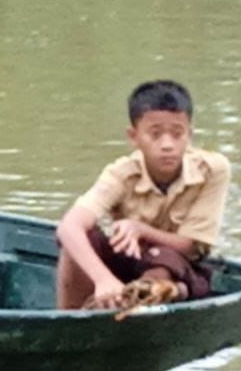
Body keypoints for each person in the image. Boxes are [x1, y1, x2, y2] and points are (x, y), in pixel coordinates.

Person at [56, 80, 230, 310]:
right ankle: (70, 318)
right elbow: (68, 226)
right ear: (134, 137)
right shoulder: (121, 174)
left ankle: (159, 294)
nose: (167, 145)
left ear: (190, 135)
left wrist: (141, 230)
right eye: (155, 134)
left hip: (175, 266)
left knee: (165, 258)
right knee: (82, 239)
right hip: (128, 260)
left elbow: (190, 247)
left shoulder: (213, 170)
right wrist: (102, 279)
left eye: (177, 134)